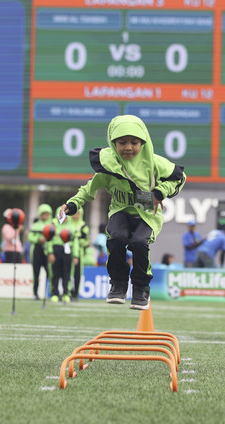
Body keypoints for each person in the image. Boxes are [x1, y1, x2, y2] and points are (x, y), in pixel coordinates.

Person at [59, 114, 186, 310]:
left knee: (139, 243)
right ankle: (118, 284)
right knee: (116, 238)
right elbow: (89, 188)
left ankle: (141, 288)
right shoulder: (109, 166)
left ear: (143, 142)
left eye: (134, 142)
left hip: (147, 215)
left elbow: (179, 178)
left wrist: (161, 191)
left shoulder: (155, 163)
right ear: (112, 142)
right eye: (122, 142)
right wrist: (73, 204)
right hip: (120, 212)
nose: (128, 147)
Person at [47, 206, 77, 303]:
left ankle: (66, 294)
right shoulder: (53, 226)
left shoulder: (71, 227)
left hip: (67, 250)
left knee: (67, 273)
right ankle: (55, 293)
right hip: (56, 250)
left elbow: (75, 242)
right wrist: (50, 252)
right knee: (55, 273)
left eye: (66, 215)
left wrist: (76, 255)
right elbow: (49, 240)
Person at [28, 204, 53, 299]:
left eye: (47, 214)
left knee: (50, 272)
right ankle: (35, 293)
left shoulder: (52, 225)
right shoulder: (36, 225)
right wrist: (38, 239)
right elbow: (30, 237)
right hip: (37, 251)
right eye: (43, 214)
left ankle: (50, 292)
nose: (45, 216)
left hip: (48, 251)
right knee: (36, 272)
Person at [67, 207, 90, 301]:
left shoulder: (83, 226)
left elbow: (86, 242)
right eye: (74, 213)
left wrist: (77, 242)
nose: (76, 216)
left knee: (77, 274)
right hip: (67, 251)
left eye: (78, 214)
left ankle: (75, 293)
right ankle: (67, 292)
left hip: (79, 253)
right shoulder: (67, 225)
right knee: (67, 273)